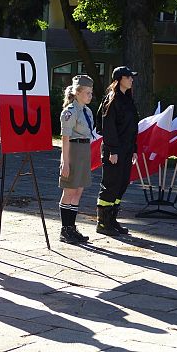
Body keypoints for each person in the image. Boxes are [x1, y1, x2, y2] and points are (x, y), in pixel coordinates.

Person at [95, 66, 139, 236]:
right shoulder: (112, 99)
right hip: (114, 150)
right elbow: (107, 127)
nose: (131, 80)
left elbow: (132, 127)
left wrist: (134, 148)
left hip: (127, 150)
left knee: (122, 184)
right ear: (120, 79)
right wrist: (113, 150)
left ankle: (112, 220)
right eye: (129, 77)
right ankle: (103, 223)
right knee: (110, 185)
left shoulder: (128, 99)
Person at [58, 75, 95, 244]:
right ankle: (65, 229)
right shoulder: (69, 112)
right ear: (77, 92)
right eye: (87, 92)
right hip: (73, 150)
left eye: (91, 93)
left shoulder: (87, 111)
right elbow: (65, 138)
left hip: (84, 150)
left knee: (78, 191)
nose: (90, 96)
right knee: (70, 191)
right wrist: (65, 162)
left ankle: (72, 227)